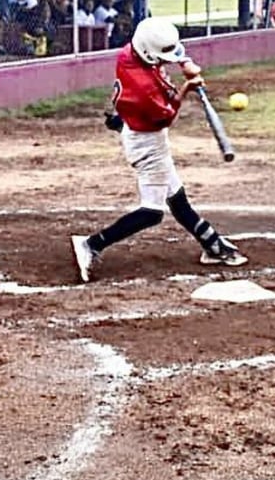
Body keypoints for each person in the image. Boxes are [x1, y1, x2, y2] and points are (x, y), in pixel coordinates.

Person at [70, 18, 247, 283]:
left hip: (138, 129)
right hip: (147, 142)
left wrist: (185, 62)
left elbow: (166, 51)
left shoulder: (130, 52)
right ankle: (91, 244)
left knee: (177, 198)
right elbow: (166, 116)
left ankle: (212, 245)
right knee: (152, 212)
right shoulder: (144, 87)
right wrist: (188, 87)